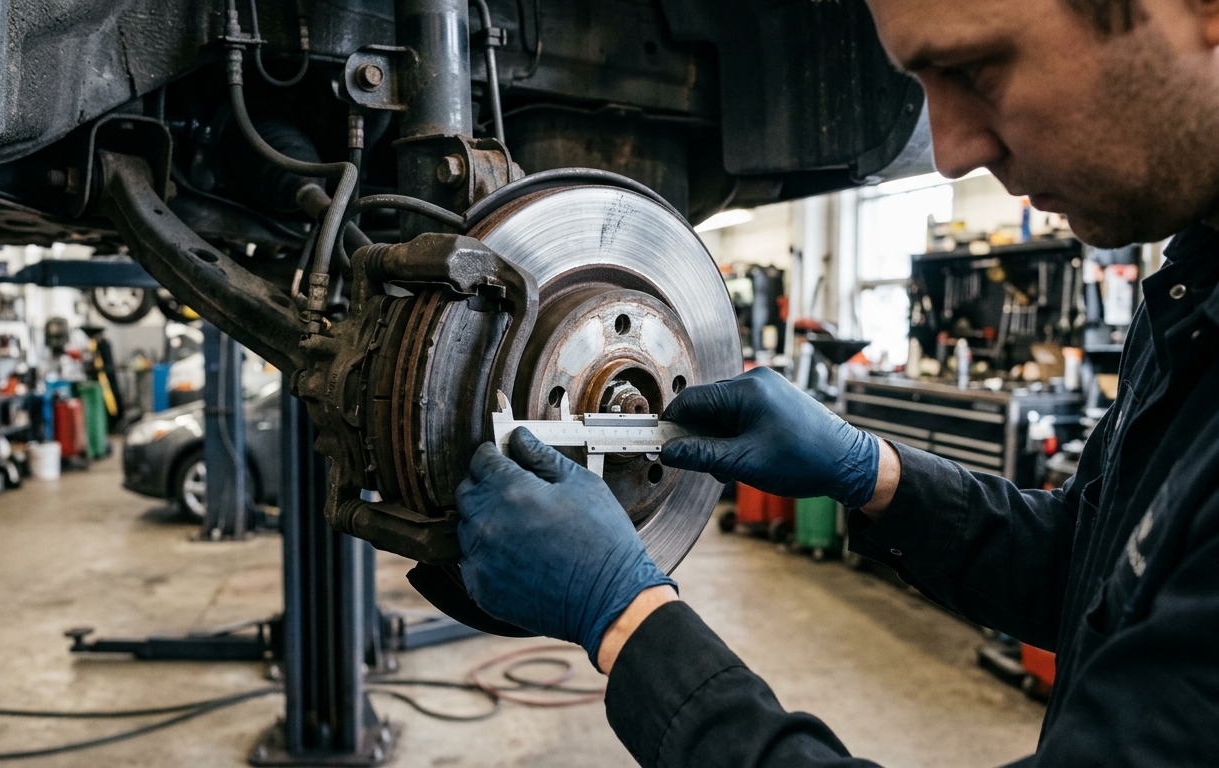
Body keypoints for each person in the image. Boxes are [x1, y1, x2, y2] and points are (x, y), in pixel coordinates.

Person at [453, 0, 1219, 764]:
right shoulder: (1192, 288)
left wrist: (627, 621)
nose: (949, 153)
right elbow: (1088, 575)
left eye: (977, 66)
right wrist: (872, 472)